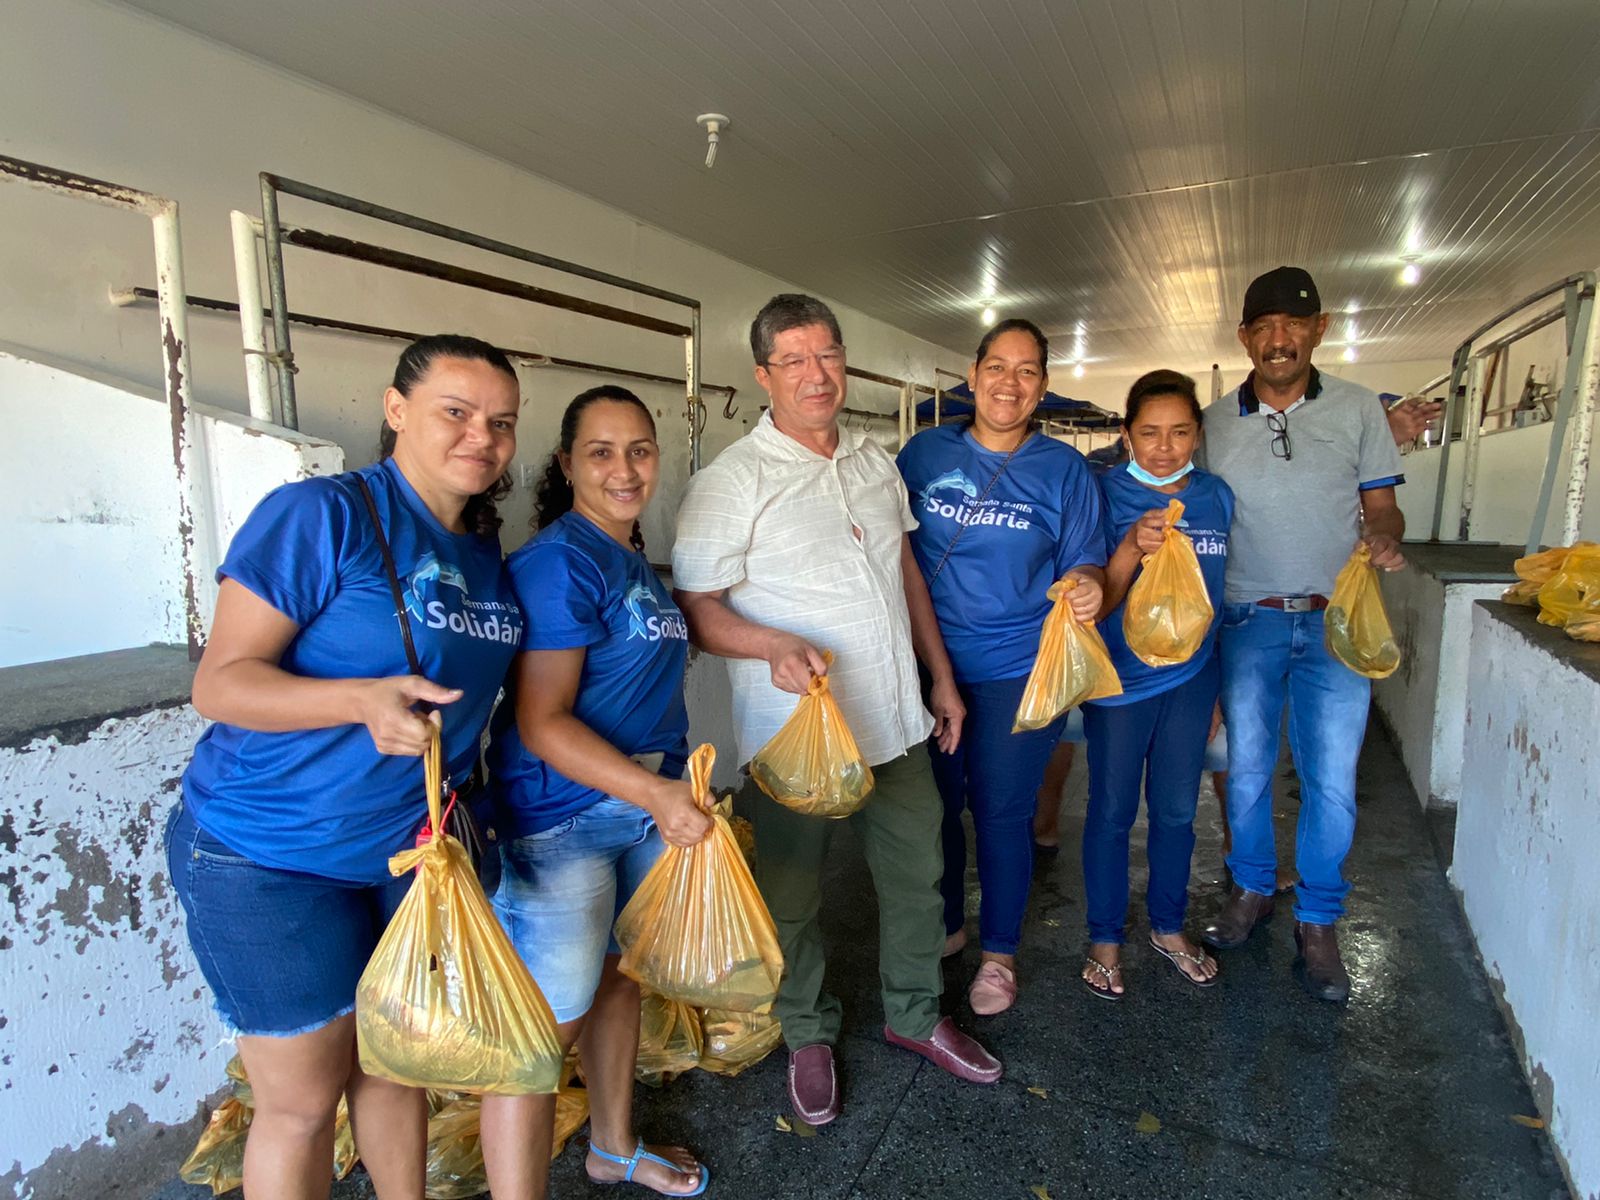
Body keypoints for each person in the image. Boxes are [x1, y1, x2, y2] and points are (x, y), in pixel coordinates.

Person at [167, 334, 523, 1199]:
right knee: (301, 1099)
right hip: (269, 854)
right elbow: (219, 684)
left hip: (406, 860)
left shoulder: (483, 554)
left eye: (501, 423)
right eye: (456, 412)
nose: (481, 435)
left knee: (396, 1065)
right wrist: (357, 700)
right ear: (396, 411)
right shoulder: (322, 516)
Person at [672, 293, 1002, 1129]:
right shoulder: (729, 482)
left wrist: (942, 679)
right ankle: (807, 1033)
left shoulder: (872, 460)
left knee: (918, 880)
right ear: (762, 376)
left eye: (827, 355)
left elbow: (906, 576)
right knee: (791, 896)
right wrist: (768, 644)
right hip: (792, 741)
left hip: (893, 723)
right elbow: (699, 608)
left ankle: (917, 1015)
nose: (816, 375)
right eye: (794, 360)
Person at [481, 386, 710, 1200]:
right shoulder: (559, 562)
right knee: (546, 1029)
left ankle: (613, 1148)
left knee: (621, 980)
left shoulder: (628, 558)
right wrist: (656, 793)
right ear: (568, 464)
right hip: (563, 818)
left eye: (640, 449)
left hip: (638, 808)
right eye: (603, 452)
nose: (625, 468)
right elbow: (542, 723)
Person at [1198, 266, 1408, 1003]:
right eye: (1265, 326)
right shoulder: (1213, 422)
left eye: (1295, 324)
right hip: (1247, 618)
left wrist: (1382, 536)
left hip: (1333, 622)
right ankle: (1253, 889)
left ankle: (1318, 920)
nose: (1279, 338)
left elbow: (1381, 505)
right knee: (1247, 771)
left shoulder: (1356, 410)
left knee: (1332, 780)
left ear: (1320, 330)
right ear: (1245, 338)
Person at [897, 318, 1106, 1015]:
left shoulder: (1063, 470)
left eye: (1026, 371)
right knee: (936, 810)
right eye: (997, 366)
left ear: (1042, 387)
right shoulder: (922, 455)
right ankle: (951, 924)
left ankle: (1000, 956)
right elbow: (887, 550)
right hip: (928, 667)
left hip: (1020, 668)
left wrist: (1088, 582)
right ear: (973, 371)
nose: (1008, 383)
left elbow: (1084, 557)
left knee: (1003, 813)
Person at [1079, 370, 1233, 998]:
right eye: (1149, 433)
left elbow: (1216, 599)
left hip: (1192, 680)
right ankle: (1104, 938)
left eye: (1179, 432)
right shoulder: (1102, 493)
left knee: (1175, 811)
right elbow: (1096, 597)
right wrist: (1129, 546)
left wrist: (1216, 687)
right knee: (1112, 812)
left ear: (1198, 433)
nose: (1165, 447)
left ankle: (1168, 927)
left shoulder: (1216, 496)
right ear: (1126, 434)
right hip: (1119, 681)